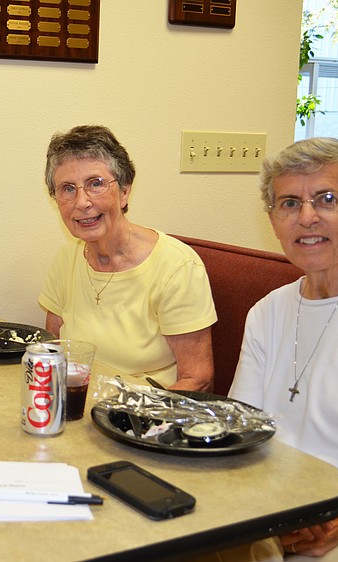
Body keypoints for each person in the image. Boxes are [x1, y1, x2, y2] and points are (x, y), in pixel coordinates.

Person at [229, 137, 338, 560]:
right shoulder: (267, 313)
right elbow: (241, 438)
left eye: (327, 199)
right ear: (273, 220)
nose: (306, 217)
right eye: (289, 203)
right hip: (274, 514)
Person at [38, 125, 216, 391]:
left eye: (95, 184)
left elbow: (198, 379)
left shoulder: (176, 266)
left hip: (146, 409)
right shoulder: (67, 259)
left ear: (124, 192)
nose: (82, 202)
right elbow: (53, 351)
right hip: (79, 402)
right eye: (68, 188)